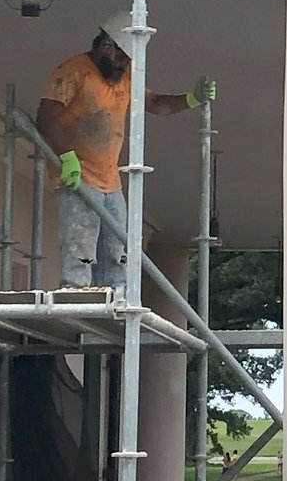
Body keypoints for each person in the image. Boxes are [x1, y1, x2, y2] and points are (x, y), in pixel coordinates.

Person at [36, 17, 196, 289]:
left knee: (116, 252)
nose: (125, 65)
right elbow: (46, 118)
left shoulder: (125, 78)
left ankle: (114, 305)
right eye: (122, 58)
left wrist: (192, 98)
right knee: (80, 248)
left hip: (110, 182)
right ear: (107, 47)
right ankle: (78, 299)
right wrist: (66, 156)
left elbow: (155, 103)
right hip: (78, 175)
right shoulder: (73, 71)